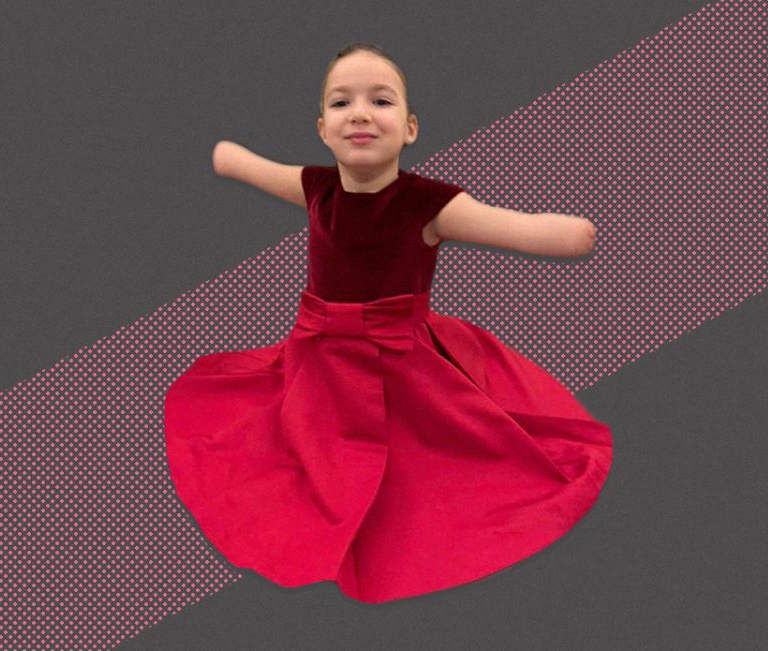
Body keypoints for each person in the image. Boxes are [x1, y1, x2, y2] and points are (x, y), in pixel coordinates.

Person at [163, 42, 613, 604]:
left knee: (422, 475)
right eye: (341, 102)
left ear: (410, 128)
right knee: (298, 461)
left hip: (402, 365)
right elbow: (249, 165)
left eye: (380, 101)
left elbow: (514, 227)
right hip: (318, 361)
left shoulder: (431, 204)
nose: (359, 113)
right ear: (323, 130)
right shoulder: (319, 189)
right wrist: (225, 157)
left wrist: (574, 235)